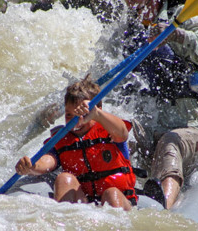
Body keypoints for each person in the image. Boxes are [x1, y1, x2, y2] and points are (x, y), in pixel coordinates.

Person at [100, 0, 198, 209]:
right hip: (145, 129)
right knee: (112, 134)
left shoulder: (181, 16)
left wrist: (177, 36)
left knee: (170, 143)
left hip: (185, 129)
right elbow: (100, 78)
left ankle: (161, 208)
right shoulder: (124, 33)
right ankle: (110, 198)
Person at [15, 75, 138, 210]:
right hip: (84, 204)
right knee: (64, 178)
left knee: (111, 193)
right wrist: (31, 166)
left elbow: (122, 133)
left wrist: (96, 114)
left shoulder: (110, 129)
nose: (75, 122)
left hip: (119, 201)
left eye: (82, 115)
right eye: (69, 115)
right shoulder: (62, 139)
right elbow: (47, 161)